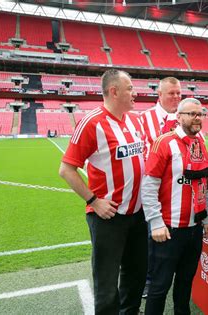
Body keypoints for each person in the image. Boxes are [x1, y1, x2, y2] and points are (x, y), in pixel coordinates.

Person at [59, 69, 148, 314]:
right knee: (107, 281)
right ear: (114, 91)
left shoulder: (134, 119)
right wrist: (94, 201)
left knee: (136, 274)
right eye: (129, 88)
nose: (134, 92)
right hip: (108, 217)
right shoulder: (92, 122)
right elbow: (66, 170)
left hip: (138, 214)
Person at [141, 98, 208, 315]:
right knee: (159, 286)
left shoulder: (200, 142)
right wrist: (155, 223)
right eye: (191, 114)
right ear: (179, 117)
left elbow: (201, 183)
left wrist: (205, 219)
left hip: (194, 229)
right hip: (168, 230)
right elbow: (149, 186)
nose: (197, 118)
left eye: (200, 114)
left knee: (185, 283)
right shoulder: (164, 143)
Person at [140, 77, 182, 298]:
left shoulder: (184, 117)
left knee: (175, 238)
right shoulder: (143, 119)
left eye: (178, 93)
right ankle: (148, 280)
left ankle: (172, 277)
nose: (176, 97)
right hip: (153, 190)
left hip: (179, 191)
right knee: (151, 237)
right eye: (171, 93)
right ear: (160, 95)